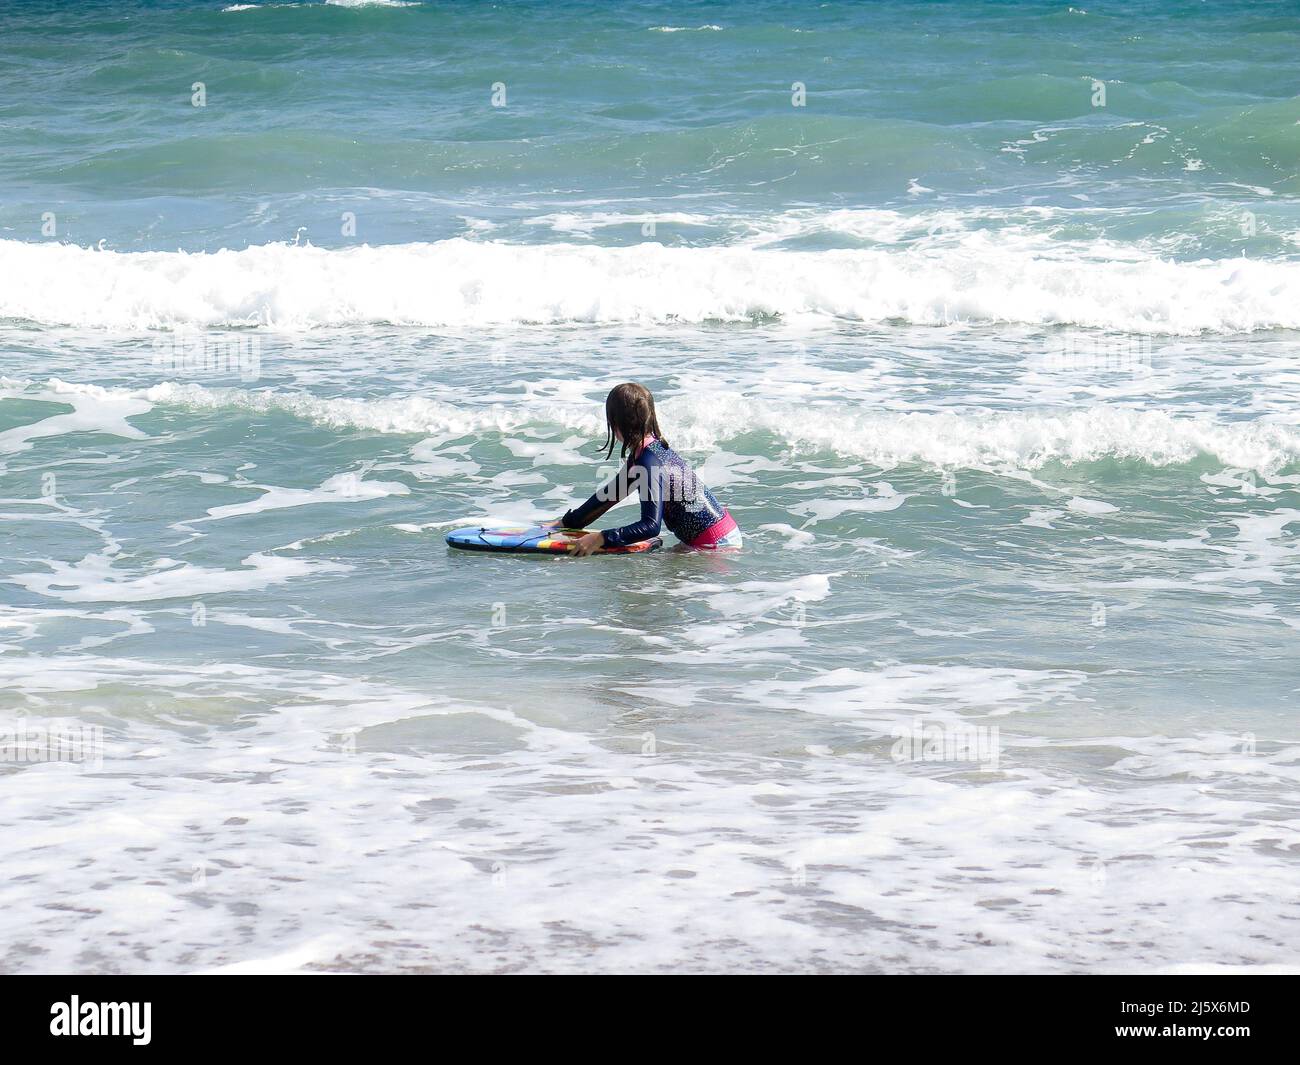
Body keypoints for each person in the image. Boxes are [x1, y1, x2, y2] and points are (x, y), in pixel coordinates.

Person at [556, 382, 741, 556]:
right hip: (714, 538)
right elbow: (609, 496)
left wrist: (601, 538)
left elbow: (651, 526)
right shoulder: (646, 451)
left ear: (616, 422)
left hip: (715, 545)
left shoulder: (648, 460)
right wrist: (565, 524)